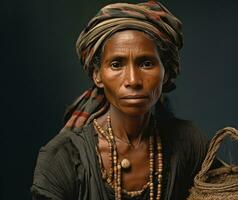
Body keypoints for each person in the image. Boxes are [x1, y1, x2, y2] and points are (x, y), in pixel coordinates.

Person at [31, 1, 217, 199]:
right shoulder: (61, 158)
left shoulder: (189, 143)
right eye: (116, 64)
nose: (133, 80)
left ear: (165, 73)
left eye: (146, 63)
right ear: (97, 75)